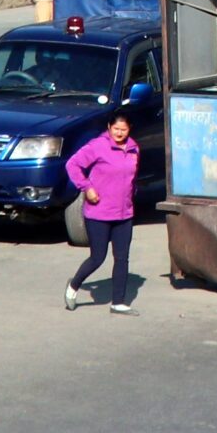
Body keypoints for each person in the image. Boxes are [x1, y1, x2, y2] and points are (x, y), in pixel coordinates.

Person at [65, 113, 141, 315]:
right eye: (116, 129)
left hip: (124, 213)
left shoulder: (134, 148)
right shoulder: (97, 146)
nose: (119, 133)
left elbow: (131, 179)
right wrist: (87, 187)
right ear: (109, 127)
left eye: (123, 130)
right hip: (99, 212)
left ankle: (119, 302)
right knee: (98, 258)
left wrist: (132, 195)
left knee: (122, 258)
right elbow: (72, 165)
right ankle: (73, 285)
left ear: (129, 129)